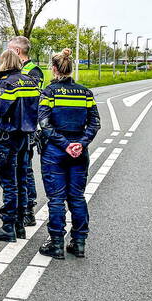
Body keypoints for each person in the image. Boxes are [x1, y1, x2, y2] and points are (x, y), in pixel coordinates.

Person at [37, 48, 101, 259]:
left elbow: (44, 124)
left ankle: (56, 244)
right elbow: (95, 123)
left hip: (55, 151)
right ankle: (79, 242)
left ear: (54, 69)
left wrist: (64, 144)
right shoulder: (85, 93)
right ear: (71, 68)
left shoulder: (49, 92)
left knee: (56, 199)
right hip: (79, 152)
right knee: (77, 197)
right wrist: (80, 143)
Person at [0, 49, 40, 243]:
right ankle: (20, 225)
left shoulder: (7, 83)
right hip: (25, 137)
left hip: (7, 137)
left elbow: (0, 109)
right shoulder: (30, 82)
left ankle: (8, 225)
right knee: (22, 180)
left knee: (9, 182)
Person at [6, 35, 43, 226]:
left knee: (25, 169)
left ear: (17, 52)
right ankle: (18, 209)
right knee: (17, 169)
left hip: (27, 127)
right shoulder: (16, 71)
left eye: (9, 49)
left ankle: (28, 208)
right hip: (15, 127)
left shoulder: (32, 71)